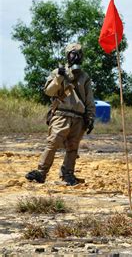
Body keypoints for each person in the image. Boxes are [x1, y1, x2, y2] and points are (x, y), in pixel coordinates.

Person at [25, 43, 95, 186]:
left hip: (78, 117)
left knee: (72, 147)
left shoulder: (84, 77)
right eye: (72, 54)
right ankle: (41, 172)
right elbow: (49, 92)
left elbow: (89, 100)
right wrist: (59, 78)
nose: (75, 57)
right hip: (61, 114)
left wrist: (90, 117)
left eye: (78, 54)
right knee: (53, 143)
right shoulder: (57, 72)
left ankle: (67, 174)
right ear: (67, 55)